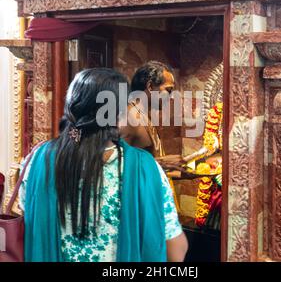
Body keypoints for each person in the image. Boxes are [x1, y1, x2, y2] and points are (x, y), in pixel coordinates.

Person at [19, 67, 187, 262]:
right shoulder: (146, 170)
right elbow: (176, 250)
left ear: (72, 106)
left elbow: (28, 223)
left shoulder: (37, 162)